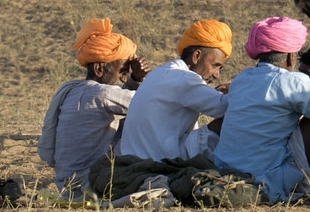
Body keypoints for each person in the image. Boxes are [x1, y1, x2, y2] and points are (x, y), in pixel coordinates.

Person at [213, 17, 310, 203]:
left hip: (223, 170)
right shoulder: (292, 81)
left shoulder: (241, 78)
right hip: (266, 179)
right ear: (290, 57)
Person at [38, 18, 150, 193]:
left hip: (64, 184)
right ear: (99, 69)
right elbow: (151, 103)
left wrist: (134, 80)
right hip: (89, 183)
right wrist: (139, 79)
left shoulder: (74, 90)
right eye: (122, 72)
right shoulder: (103, 94)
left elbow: (131, 99)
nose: (123, 79)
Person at [120, 20, 232, 162]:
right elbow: (227, 107)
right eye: (215, 65)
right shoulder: (184, 79)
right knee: (235, 116)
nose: (216, 75)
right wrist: (237, 89)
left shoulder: (162, 72)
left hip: (136, 157)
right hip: (161, 161)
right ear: (197, 56)